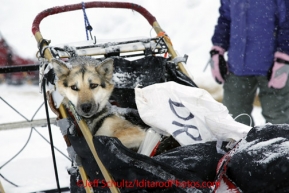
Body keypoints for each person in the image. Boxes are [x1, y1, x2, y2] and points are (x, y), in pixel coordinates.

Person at [210, 0, 289, 126]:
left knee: (277, 120)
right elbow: (225, 18)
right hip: (237, 66)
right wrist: (217, 50)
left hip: (272, 67)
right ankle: (239, 146)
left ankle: (279, 145)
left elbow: (286, 22)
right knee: (233, 120)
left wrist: (284, 58)